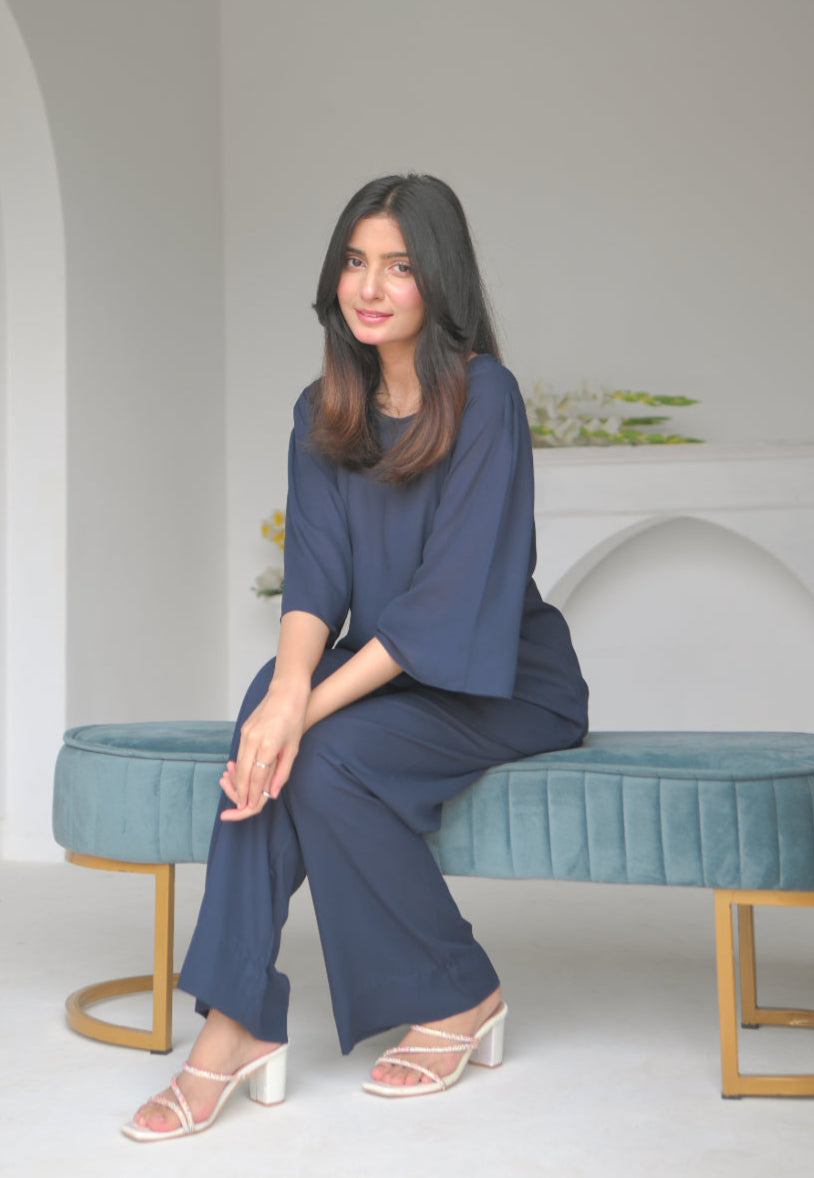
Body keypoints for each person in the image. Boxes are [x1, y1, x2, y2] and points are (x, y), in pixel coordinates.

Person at [124, 173, 588, 1142]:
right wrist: (285, 691)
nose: (370, 286)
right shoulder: (321, 406)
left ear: (439, 282)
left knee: (318, 750)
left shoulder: (485, 398)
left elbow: (447, 605)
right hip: (396, 672)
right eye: (354, 261)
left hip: (500, 679)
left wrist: (308, 710)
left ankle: (456, 992)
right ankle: (234, 1019)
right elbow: (314, 577)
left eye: (399, 267)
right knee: (271, 707)